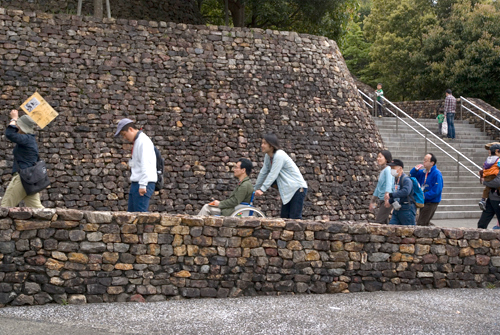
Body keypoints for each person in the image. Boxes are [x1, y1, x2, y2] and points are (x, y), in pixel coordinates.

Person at [254, 133, 308, 219]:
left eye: (264, 143)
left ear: (271, 145)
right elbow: (263, 172)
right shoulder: (268, 156)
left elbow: (273, 174)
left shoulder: (279, 155)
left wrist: (262, 189)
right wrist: (255, 188)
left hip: (297, 188)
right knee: (284, 218)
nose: (262, 145)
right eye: (262, 143)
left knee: (295, 218)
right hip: (288, 190)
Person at [1, 110, 44, 208]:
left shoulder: (27, 139)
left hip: (22, 178)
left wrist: (14, 118)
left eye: (17, 125)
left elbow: (10, 134)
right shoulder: (29, 139)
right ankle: (57, 222)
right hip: (30, 179)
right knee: (38, 211)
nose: (16, 126)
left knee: (5, 208)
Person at [115, 118, 157, 212]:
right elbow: (137, 162)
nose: (125, 138)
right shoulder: (138, 141)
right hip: (137, 183)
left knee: (140, 218)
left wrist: (142, 185)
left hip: (143, 183)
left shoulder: (143, 142)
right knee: (132, 216)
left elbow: (146, 164)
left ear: (130, 129)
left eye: (124, 134)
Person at [410, 153, 444, 226]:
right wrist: (415, 169)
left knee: (421, 222)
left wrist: (423, 196)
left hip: (431, 202)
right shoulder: (423, 172)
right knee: (422, 221)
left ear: (432, 163)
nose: (424, 162)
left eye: (426, 160)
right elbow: (412, 175)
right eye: (424, 160)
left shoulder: (437, 174)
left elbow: (436, 190)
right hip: (423, 200)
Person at [385, 159, 416, 226]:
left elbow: (406, 191)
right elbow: (396, 192)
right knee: (391, 229)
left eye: (393, 168)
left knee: (409, 232)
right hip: (397, 209)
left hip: (407, 209)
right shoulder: (396, 180)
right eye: (391, 168)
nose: (391, 170)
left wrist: (391, 195)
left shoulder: (406, 179)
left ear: (400, 168)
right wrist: (390, 201)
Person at [369, 150, 394, 224]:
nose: (378, 159)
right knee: (383, 223)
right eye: (377, 157)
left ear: (386, 158)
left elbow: (389, 184)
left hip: (387, 199)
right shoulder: (383, 171)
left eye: (380, 157)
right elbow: (378, 187)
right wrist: (372, 201)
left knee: (378, 222)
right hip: (382, 200)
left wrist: (387, 196)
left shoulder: (388, 169)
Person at [478, 144, 500, 211]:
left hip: (487, 177)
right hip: (493, 176)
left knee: (486, 189)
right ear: (496, 152)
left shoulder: (488, 159)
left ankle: (483, 200)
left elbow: (484, 167)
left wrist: (483, 176)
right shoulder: (498, 160)